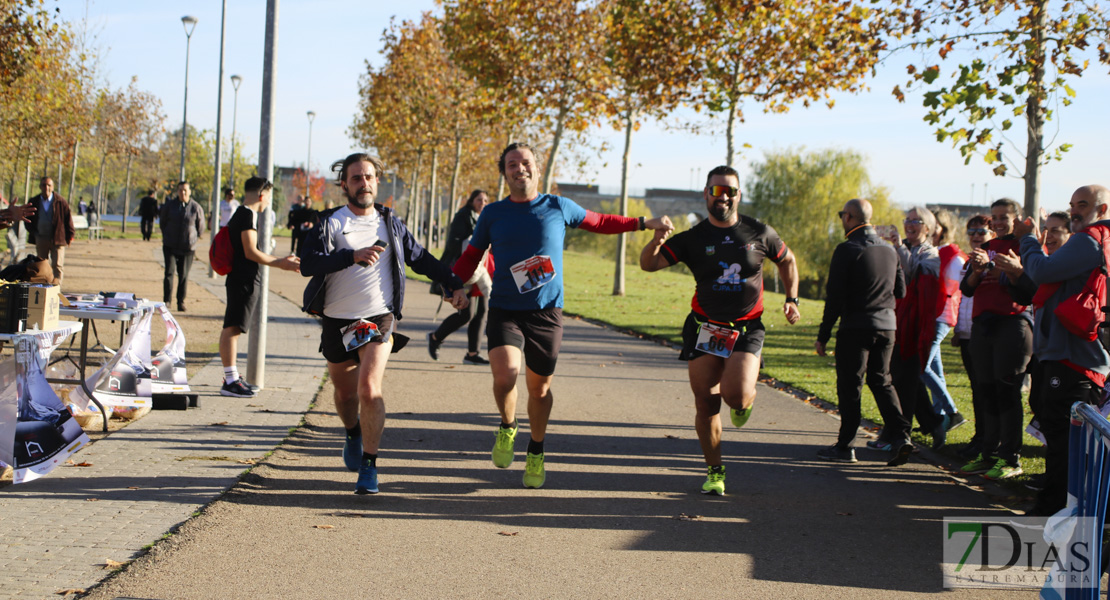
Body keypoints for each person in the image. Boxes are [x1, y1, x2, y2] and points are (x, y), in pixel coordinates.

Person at [453, 142, 673, 490]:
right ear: (505, 173)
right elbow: (473, 256)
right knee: (505, 376)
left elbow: (600, 221)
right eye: (512, 164)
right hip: (506, 308)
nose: (519, 168)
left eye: (525, 162)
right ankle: (508, 426)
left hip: (545, 312)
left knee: (539, 390)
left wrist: (644, 223)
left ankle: (536, 450)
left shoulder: (557, 206)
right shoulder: (493, 213)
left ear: (538, 169)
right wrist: (454, 285)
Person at [300, 152, 469, 495]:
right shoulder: (329, 222)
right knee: (345, 394)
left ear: (378, 181)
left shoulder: (390, 223)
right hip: (337, 320)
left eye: (369, 177)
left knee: (369, 389)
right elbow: (308, 264)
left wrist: (452, 283)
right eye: (357, 178)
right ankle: (352, 433)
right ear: (345, 184)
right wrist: (351, 256)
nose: (364, 183)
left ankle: (370, 465)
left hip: (378, 316)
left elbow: (420, 258)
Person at [640, 164, 796, 495]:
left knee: (734, 395)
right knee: (706, 404)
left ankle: (744, 400)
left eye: (729, 191)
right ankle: (715, 470)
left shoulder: (759, 232)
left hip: (746, 328)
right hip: (704, 328)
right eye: (716, 190)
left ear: (738, 195)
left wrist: (792, 298)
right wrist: (655, 240)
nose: (722, 197)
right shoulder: (694, 238)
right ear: (706, 194)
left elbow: (788, 260)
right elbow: (649, 264)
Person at [1016, 185, 1110, 515]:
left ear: (1102, 209)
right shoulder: (1101, 242)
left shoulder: (1089, 240)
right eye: (1072, 205)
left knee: (1063, 442)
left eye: (1082, 205)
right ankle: (1070, 511)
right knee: (1069, 442)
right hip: (1085, 357)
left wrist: (1028, 238)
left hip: (1071, 356)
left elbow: (1042, 271)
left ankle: (1055, 512)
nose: (1075, 211)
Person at [814, 199, 913, 466]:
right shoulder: (891, 251)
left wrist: (823, 335)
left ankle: (846, 445)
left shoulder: (847, 249)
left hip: (856, 326)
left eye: (841, 215)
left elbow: (834, 297)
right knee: (882, 381)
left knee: (850, 385)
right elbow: (901, 291)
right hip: (887, 325)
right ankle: (901, 435)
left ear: (849, 217)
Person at [958, 198, 1034, 481]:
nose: (999, 221)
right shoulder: (985, 249)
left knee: (1007, 392)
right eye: (995, 217)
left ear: (1016, 218)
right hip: (983, 325)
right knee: (985, 391)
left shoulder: (1024, 247)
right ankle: (987, 452)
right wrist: (978, 271)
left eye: (1004, 216)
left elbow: (1028, 292)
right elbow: (966, 289)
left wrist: (1014, 271)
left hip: (1012, 325)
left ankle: (1010, 458)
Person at [218, 177, 300, 397]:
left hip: (241, 278)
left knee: (234, 326)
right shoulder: (246, 215)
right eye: (270, 197)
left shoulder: (244, 214)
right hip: (242, 279)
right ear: (262, 195)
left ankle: (232, 377)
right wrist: (281, 263)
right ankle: (230, 380)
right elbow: (250, 251)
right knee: (233, 327)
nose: (268, 202)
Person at [428, 189, 492, 365]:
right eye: (479, 200)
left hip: (481, 269)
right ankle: (435, 337)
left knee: (481, 312)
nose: (483, 203)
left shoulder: (484, 218)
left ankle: (472, 354)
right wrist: (473, 245)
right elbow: (453, 243)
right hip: (465, 270)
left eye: (486, 200)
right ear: (471, 201)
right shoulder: (463, 216)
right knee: (466, 314)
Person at [922, 209, 968, 432]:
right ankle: (939, 419)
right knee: (934, 367)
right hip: (930, 315)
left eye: (934, 224)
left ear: (943, 228)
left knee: (920, 365)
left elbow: (961, 287)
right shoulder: (931, 251)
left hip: (942, 315)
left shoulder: (952, 255)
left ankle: (952, 412)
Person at [952, 214, 994, 461]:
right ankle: (979, 437)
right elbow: (963, 299)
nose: (976, 236)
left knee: (985, 389)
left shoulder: (992, 261)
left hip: (984, 333)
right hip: (967, 333)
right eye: (972, 232)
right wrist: (958, 329)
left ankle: (988, 440)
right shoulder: (968, 263)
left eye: (981, 232)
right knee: (975, 388)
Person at [159, 181, 206, 312]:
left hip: (187, 248)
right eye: (180, 190)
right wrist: (168, 235)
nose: (183, 193)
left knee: (183, 275)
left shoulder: (196, 207)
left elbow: (200, 227)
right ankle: (167, 301)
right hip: (170, 245)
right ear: (177, 192)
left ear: (189, 192)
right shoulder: (170, 206)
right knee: (169, 273)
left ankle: (181, 301)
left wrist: (192, 239)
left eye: (185, 190)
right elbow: (162, 223)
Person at [26, 177, 75, 284]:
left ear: (52, 187)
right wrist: (34, 233)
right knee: (42, 265)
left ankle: (56, 290)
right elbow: (27, 219)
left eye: (49, 185)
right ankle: (43, 288)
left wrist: (70, 235)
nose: (46, 187)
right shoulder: (34, 201)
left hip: (58, 238)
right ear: (40, 187)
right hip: (41, 237)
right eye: (44, 185)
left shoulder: (60, 201)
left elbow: (68, 219)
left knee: (57, 265)